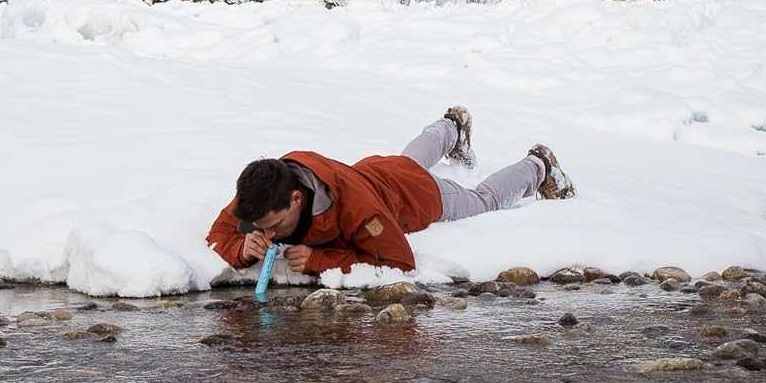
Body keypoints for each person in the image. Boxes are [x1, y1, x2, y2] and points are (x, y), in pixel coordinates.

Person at [206, 107, 575, 276]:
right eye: (259, 227)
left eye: (272, 226)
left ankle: (539, 166)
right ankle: (451, 126)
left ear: (297, 199)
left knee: (483, 200)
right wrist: (240, 247)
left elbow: (399, 262)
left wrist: (321, 261)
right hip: (376, 171)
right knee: (407, 160)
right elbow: (219, 232)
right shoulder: (262, 190)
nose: (265, 235)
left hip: (416, 196)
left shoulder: (358, 211)